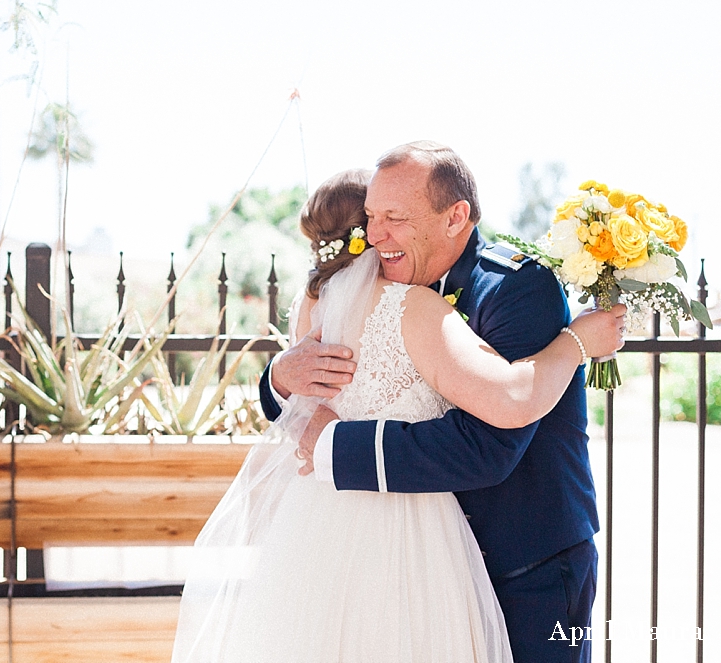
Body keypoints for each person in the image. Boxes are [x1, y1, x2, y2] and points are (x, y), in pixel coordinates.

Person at [172, 167, 624, 662]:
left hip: (526, 560)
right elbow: (302, 400)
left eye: (394, 217)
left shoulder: (514, 288)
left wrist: (331, 445)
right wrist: (281, 375)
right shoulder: (368, 300)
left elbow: (489, 445)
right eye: (372, 217)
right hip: (387, 556)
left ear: (455, 218)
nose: (381, 232)